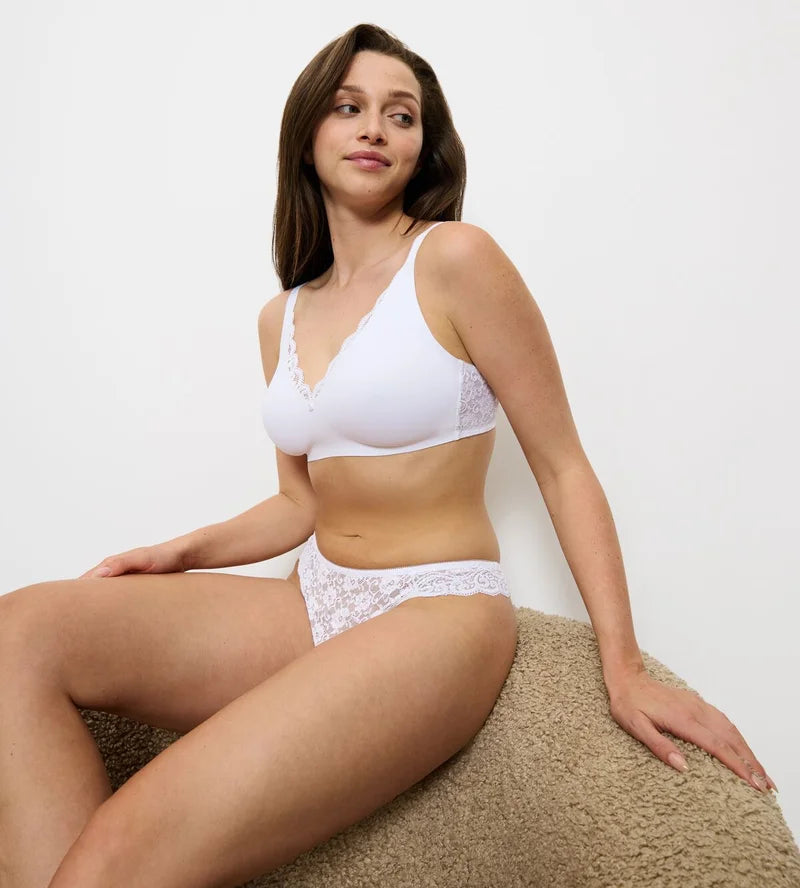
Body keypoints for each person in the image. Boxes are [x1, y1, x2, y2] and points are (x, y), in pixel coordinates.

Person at [0, 22, 775, 888]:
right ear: (308, 132)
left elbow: (562, 466)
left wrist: (622, 665)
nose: (374, 127)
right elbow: (299, 504)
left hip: (438, 613)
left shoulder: (456, 260)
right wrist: (180, 552)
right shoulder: (282, 315)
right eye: (349, 107)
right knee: (17, 634)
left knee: (122, 849)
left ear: (421, 147)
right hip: (315, 599)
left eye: (400, 115)